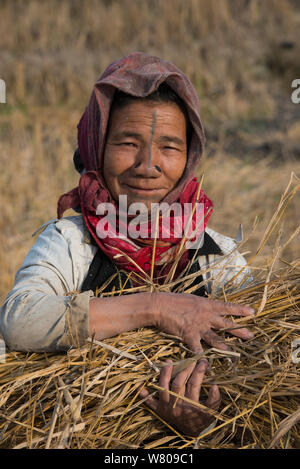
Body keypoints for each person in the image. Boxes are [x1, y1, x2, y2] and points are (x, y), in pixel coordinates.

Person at [0, 52, 254, 436]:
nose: (147, 164)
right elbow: (19, 322)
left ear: (189, 159)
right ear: (96, 148)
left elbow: (262, 360)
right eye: (127, 143)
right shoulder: (72, 242)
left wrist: (205, 429)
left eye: (169, 147)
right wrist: (156, 307)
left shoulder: (219, 257)